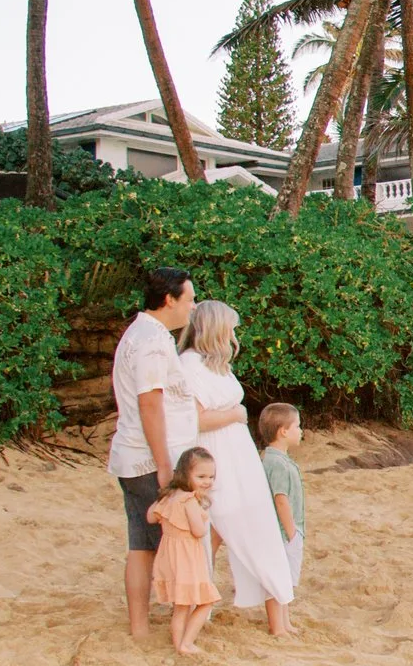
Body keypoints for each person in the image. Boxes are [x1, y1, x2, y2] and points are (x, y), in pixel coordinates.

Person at [178, 303, 296, 637]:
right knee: (213, 529)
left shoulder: (218, 365)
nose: (234, 335)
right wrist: (235, 415)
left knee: (253, 526)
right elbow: (195, 418)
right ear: (215, 330)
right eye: (230, 328)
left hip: (237, 453)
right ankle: (198, 607)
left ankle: (278, 618)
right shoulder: (189, 366)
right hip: (214, 454)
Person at [108, 268, 198, 640]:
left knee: (141, 546)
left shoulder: (146, 334)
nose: (193, 307)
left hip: (136, 456)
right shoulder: (151, 341)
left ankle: (141, 628)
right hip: (146, 460)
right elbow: (150, 403)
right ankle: (177, 630)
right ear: (169, 300)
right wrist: (164, 465)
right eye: (189, 299)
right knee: (172, 545)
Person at [146, 448, 221, 655]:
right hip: (188, 558)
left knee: (181, 607)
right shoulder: (189, 501)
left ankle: (179, 645)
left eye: (211, 477)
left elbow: (151, 516)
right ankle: (186, 643)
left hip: (170, 556)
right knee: (206, 601)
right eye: (201, 476)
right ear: (185, 475)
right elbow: (198, 531)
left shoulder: (170, 496)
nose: (207, 482)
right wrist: (202, 514)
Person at [257, 403, 306, 586]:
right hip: (285, 535)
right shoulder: (278, 463)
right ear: (283, 432)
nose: (301, 430)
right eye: (297, 426)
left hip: (281, 533)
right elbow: (281, 500)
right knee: (285, 583)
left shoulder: (272, 459)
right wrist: (292, 534)